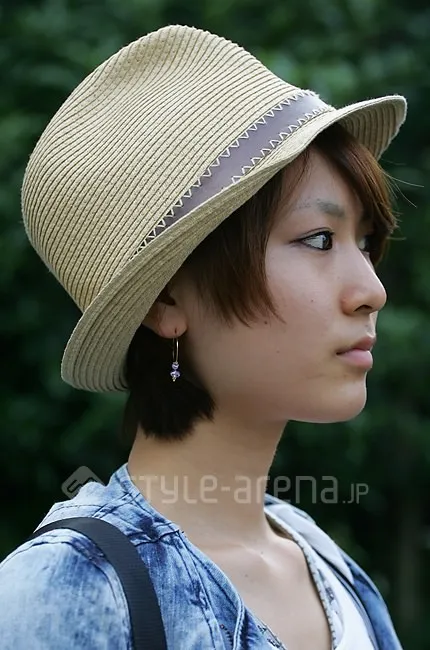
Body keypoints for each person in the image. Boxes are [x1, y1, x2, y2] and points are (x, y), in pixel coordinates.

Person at [0, 24, 406, 650]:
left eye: (366, 241)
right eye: (319, 239)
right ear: (166, 300)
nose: (370, 289)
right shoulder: (68, 592)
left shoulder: (328, 567)